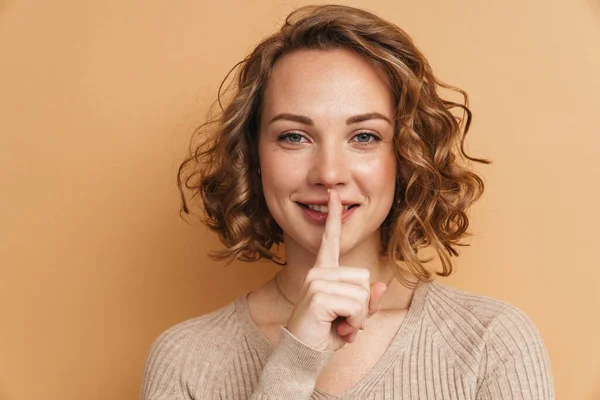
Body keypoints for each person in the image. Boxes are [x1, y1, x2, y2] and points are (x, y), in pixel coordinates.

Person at [141, 4, 554, 399]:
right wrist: (295, 360)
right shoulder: (186, 360)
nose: (329, 173)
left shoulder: (491, 341)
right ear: (253, 156)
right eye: (294, 136)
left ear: (406, 154)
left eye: (364, 137)